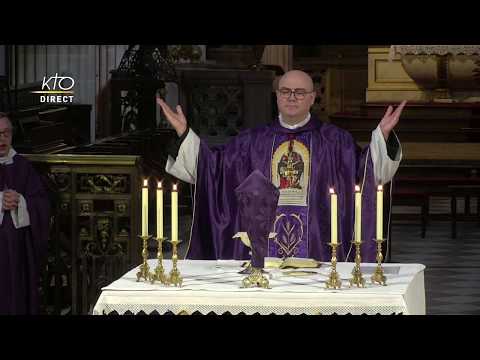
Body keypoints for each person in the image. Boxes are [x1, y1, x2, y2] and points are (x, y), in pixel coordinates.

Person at [157, 70, 406, 262]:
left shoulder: (335, 141)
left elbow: (366, 172)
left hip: (319, 249)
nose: (291, 97)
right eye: (285, 91)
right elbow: (214, 170)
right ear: (276, 96)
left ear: (312, 98)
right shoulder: (251, 141)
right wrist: (184, 134)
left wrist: (381, 138)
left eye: (299, 92)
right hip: (260, 250)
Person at [0, 112, 50, 314]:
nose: (1, 139)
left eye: (6, 133)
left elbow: (42, 203)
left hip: (17, 250)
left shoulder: (22, 166)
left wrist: (21, 201)